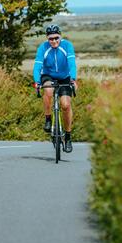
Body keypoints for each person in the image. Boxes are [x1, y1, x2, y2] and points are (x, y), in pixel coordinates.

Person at [33, 24, 78, 153]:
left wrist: (73, 79)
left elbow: (72, 63)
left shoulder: (67, 46)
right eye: (51, 39)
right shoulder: (43, 48)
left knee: (65, 105)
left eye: (56, 38)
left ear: (60, 36)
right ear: (47, 39)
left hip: (65, 77)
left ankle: (68, 137)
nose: (54, 41)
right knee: (48, 90)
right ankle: (48, 119)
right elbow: (37, 66)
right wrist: (37, 81)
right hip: (48, 76)